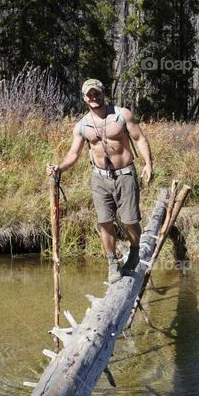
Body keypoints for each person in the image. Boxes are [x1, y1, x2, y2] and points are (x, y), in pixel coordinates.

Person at [46, 79, 154, 284]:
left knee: (130, 220)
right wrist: (59, 167)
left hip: (125, 175)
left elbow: (139, 138)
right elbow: (73, 153)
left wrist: (148, 163)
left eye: (96, 94)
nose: (93, 98)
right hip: (99, 178)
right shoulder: (82, 126)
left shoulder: (122, 115)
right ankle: (112, 263)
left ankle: (135, 251)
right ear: (84, 97)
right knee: (105, 222)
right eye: (89, 95)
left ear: (103, 94)